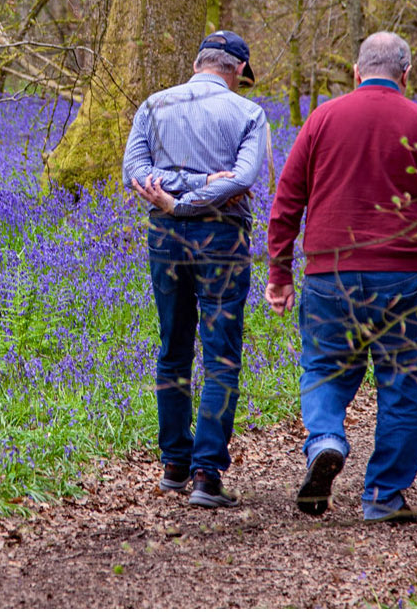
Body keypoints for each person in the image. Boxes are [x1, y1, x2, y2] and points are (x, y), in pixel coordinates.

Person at [265, 31, 417, 524]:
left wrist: (279, 271)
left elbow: (287, 199)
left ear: (356, 72)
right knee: (404, 385)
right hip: (404, 279)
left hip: (329, 276)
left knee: (324, 370)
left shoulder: (322, 119)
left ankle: (327, 440)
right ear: (406, 75)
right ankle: (383, 496)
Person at [125, 31, 270, 509]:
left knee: (173, 348)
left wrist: (174, 199)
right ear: (239, 72)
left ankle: (174, 464)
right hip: (223, 238)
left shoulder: (152, 105)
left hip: (164, 235)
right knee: (221, 355)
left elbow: (136, 171)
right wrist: (204, 185)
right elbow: (243, 178)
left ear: (196, 62)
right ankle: (207, 474)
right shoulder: (249, 114)